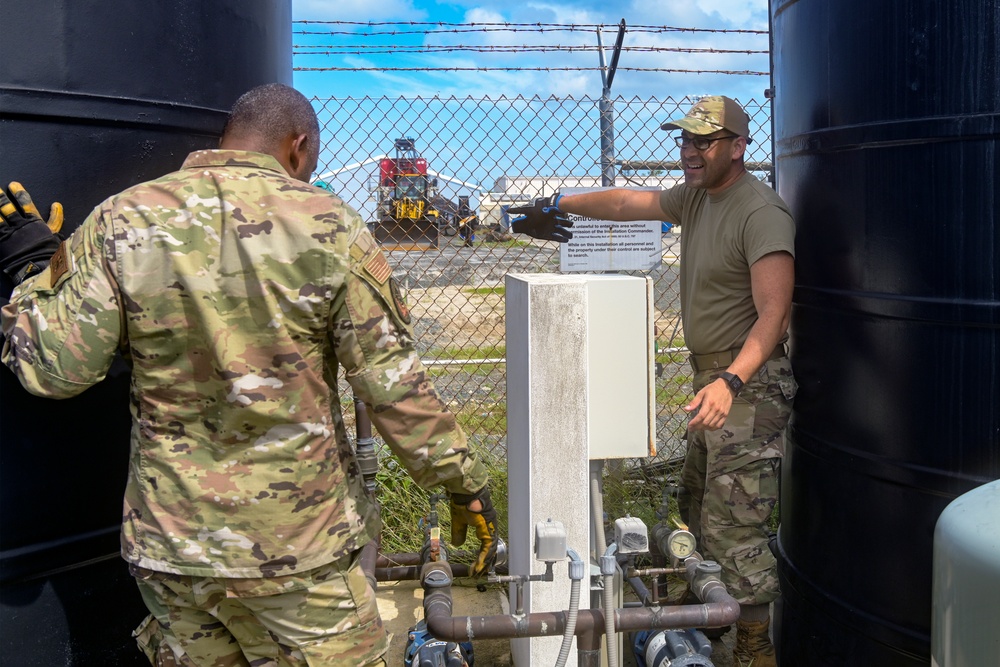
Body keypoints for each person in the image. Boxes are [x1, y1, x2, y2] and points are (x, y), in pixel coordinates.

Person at [0, 82, 497, 667]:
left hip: (172, 553)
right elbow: (392, 385)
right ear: (299, 146)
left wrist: (36, 268)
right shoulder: (328, 225)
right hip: (295, 556)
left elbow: (56, 368)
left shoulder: (120, 218)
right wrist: (463, 484)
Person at [508, 95, 796, 667]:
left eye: (703, 142)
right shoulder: (695, 198)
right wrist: (552, 201)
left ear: (738, 147)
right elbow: (623, 200)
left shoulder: (759, 212)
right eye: (684, 141)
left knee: (736, 524)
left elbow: (774, 313)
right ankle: (703, 632)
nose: (689, 152)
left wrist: (732, 383)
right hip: (711, 379)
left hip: (748, 387)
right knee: (698, 505)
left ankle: (754, 650)